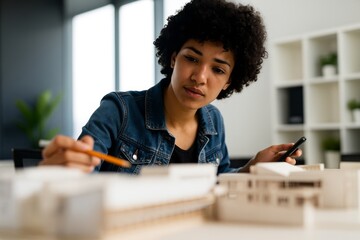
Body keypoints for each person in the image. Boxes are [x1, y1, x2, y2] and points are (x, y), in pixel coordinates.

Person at [40, 0, 301, 174]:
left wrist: (253, 167)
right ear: (174, 57)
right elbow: (79, 173)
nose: (200, 77)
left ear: (229, 81)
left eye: (218, 69)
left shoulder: (213, 121)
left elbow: (220, 181)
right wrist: (63, 171)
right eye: (192, 58)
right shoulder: (119, 111)